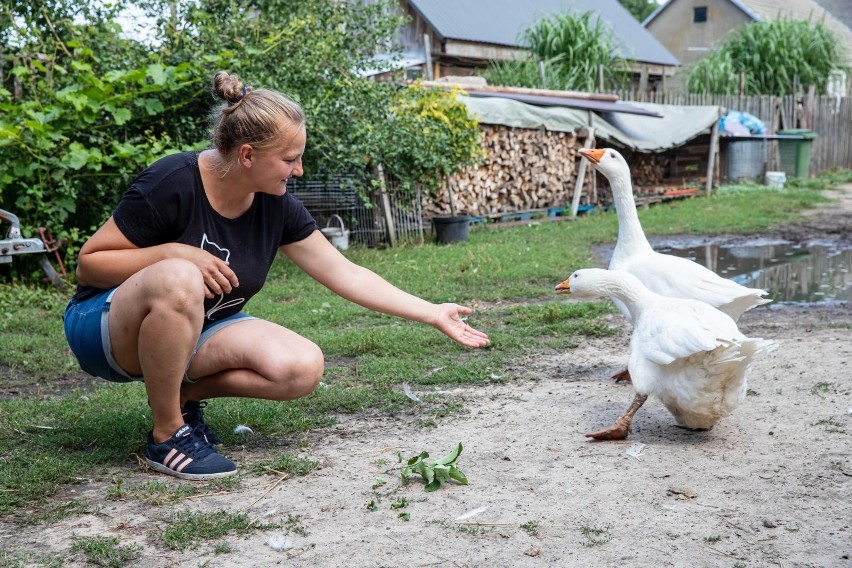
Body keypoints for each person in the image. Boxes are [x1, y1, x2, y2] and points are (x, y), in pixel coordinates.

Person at [63, 71, 490, 481]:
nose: (298, 170)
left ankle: (183, 396)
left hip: (199, 330)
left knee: (301, 367)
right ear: (247, 155)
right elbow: (91, 263)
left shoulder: (276, 204)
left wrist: (431, 312)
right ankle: (167, 434)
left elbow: (346, 273)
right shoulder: (173, 181)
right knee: (178, 275)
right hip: (103, 328)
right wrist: (176, 251)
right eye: (290, 159)